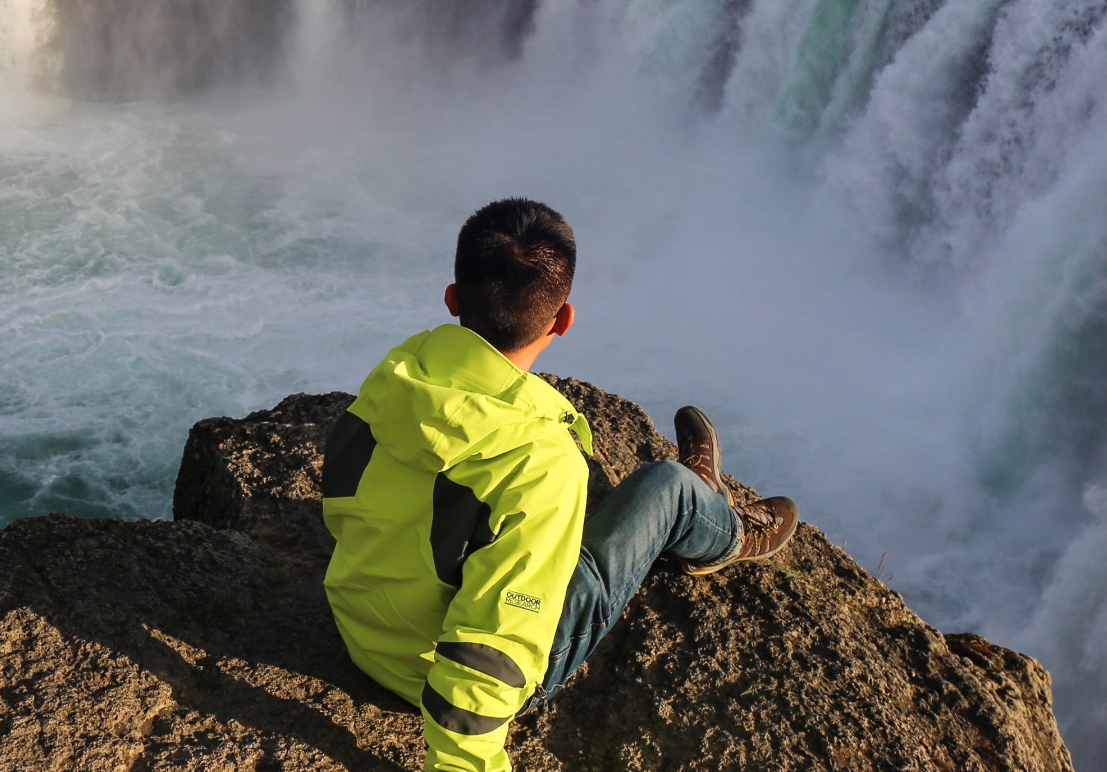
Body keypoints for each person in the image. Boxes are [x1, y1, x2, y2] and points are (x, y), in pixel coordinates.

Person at [320, 197, 799, 772]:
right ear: (562, 320)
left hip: (361, 628)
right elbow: (490, 652)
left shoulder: (400, 372)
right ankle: (721, 524)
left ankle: (702, 504)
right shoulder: (540, 461)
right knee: (663, 487)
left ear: (452, 299)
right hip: (423, 672)